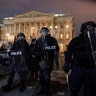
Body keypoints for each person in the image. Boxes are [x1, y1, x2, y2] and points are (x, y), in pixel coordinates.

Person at [63, 21, 96, 96]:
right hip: (78, 69)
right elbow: (68, 53)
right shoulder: (76, 41)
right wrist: (66, 63)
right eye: (89, 27)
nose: (92, 29)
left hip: (91, 70)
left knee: (90, 90)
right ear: (84, 29)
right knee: (74, 88)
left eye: (93, 28)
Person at [37, 27, 59, 96]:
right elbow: (35, 50)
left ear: (48, 32)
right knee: (41, 76)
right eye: (42, 31)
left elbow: (56, 48)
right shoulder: (39, 40)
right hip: (41, 61)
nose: (44, 32)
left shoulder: (52, 39)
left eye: (45, 31)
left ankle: (47, 89)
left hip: (48, 60)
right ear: (41, 32)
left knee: (46, 76)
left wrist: (48, 49)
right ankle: (42, 88)